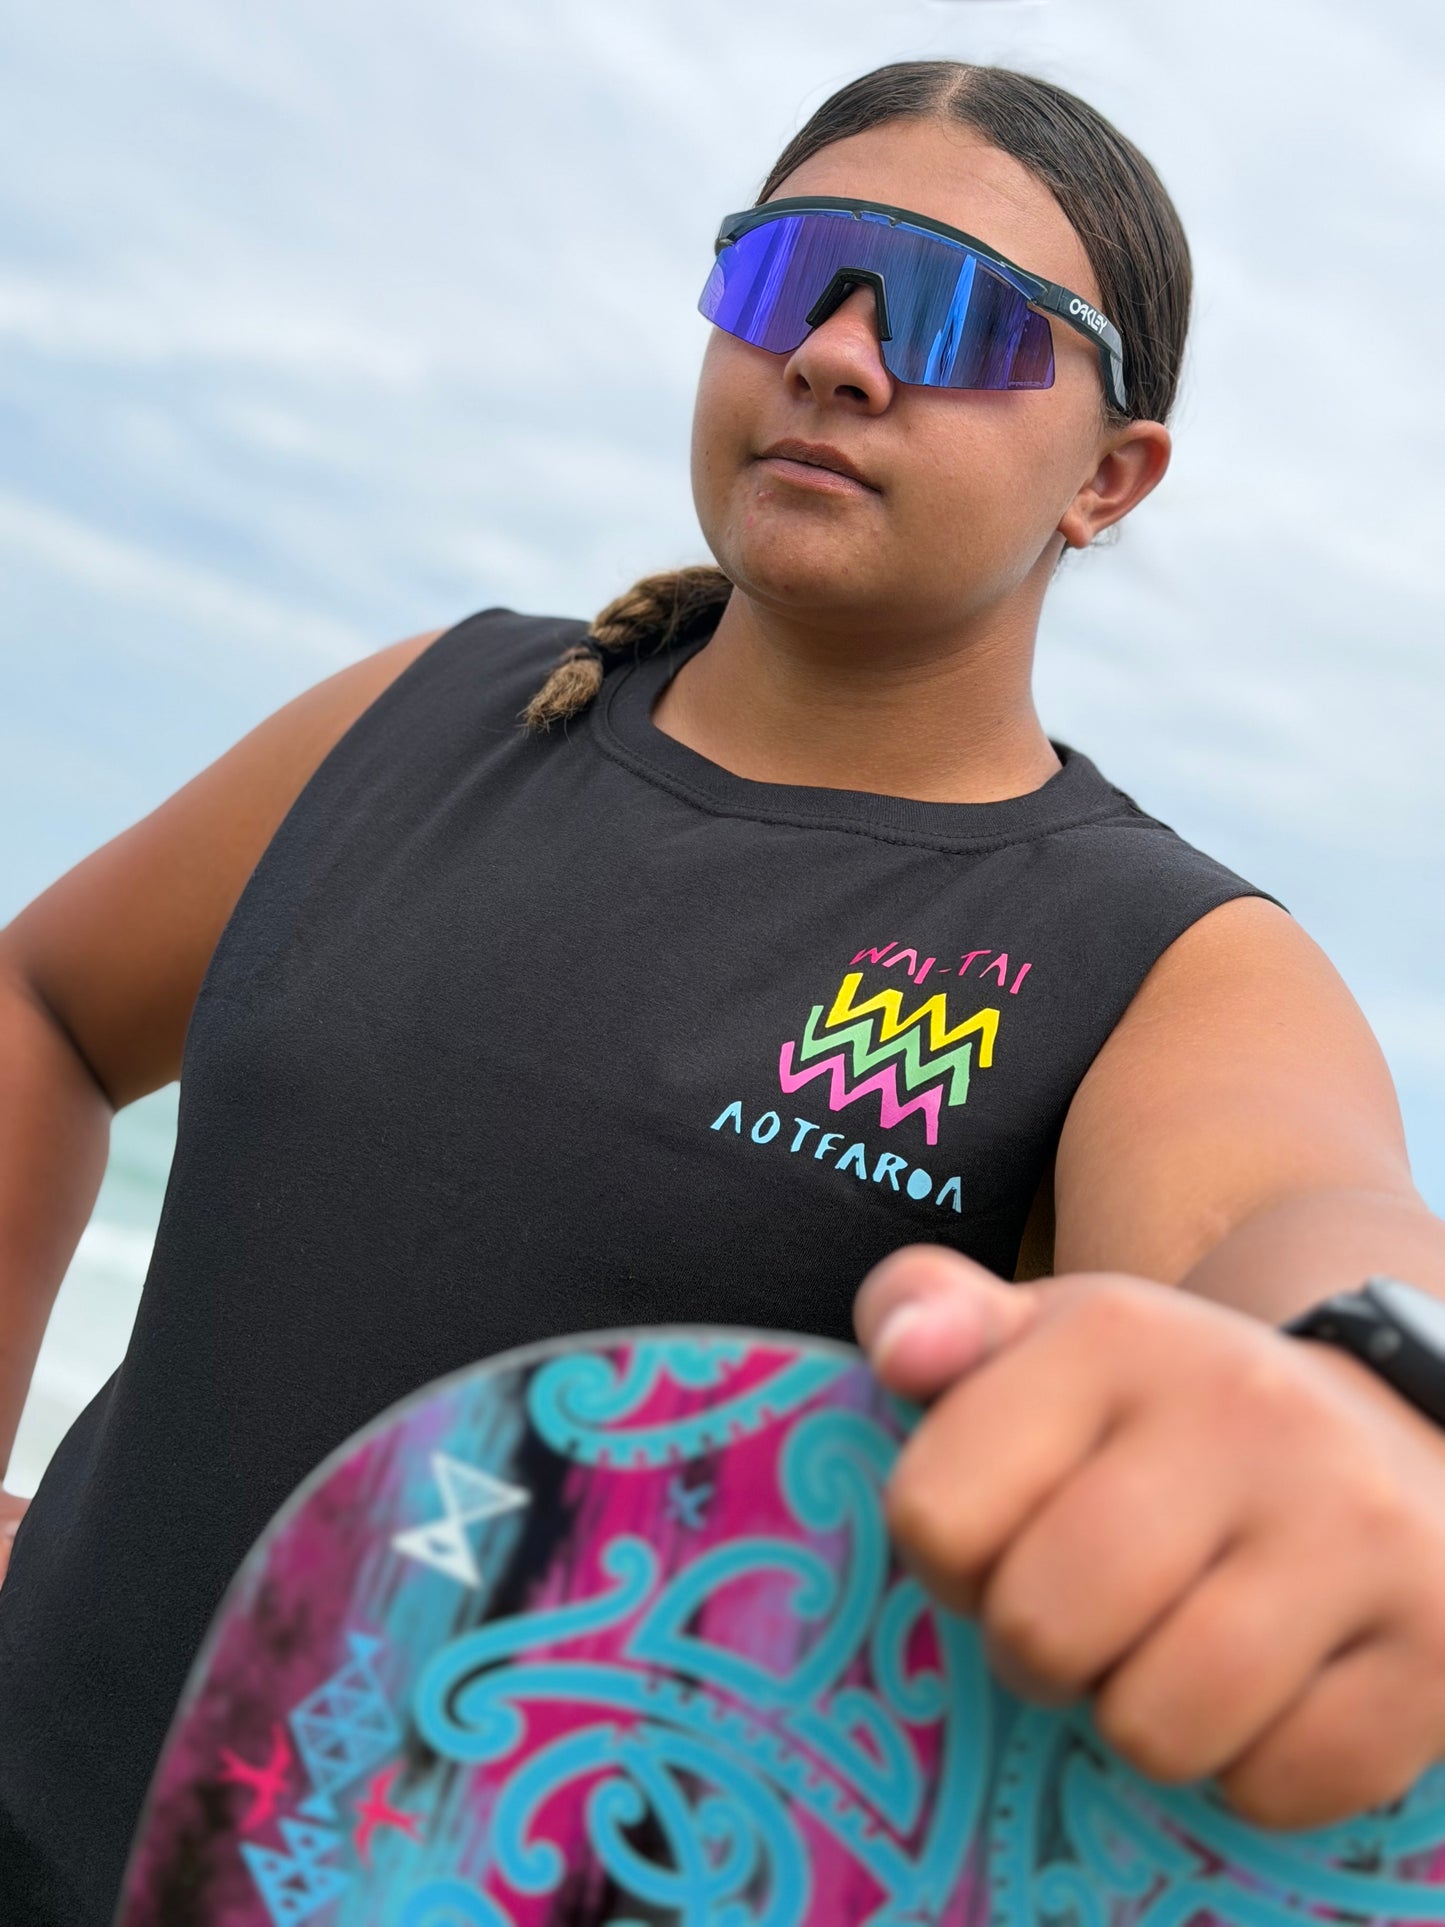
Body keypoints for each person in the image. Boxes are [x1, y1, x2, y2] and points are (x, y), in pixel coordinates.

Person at [3, 54, 1445, 1924]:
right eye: (785, 278)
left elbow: (1290, 1230)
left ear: (1109, 477)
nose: (837, 354)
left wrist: (1371, 1401)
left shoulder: (1155, 957)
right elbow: (45, 1006)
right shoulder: (426, 710)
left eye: (955, 315)